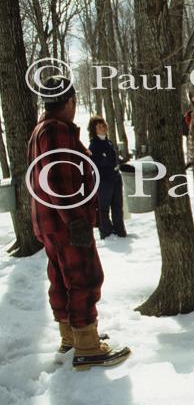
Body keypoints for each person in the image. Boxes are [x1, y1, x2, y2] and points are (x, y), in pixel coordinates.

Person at [27, 75, 131, 370]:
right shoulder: (57, 131)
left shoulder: (41, 130)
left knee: (61, 279)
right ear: (69, 101)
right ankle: (87, 347)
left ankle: (72, 335)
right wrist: (76, 221)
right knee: (84, 277)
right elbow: (60, 182)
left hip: (49, 222)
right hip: (65, 223)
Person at [88, 115, 126, 239]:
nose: (103, 128)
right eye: (99, 126)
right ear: (94, 130)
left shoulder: (108, 142)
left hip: (115, 178)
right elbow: (94, 164)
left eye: (103, 125)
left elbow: (112, 159)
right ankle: (106, 233)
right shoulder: (93, 145)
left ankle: (120, 231)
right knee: (103, 208)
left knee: (117, 206)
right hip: (103, 181)